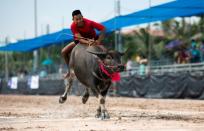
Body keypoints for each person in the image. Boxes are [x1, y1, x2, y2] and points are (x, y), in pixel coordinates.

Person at [61, 10, 106, 78]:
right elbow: (80, 39)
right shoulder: (73, 26)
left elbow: (103, 28)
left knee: (105, 51)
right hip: (80, 41)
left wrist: (98, 41)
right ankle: (70, 71)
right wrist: (88, 42)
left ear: (82, 17)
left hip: (93, 40)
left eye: (80, 18)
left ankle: (107, 69)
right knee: (63, 51)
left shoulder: (89, 22)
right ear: (73, 20)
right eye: (77, 19)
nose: (79, 21)